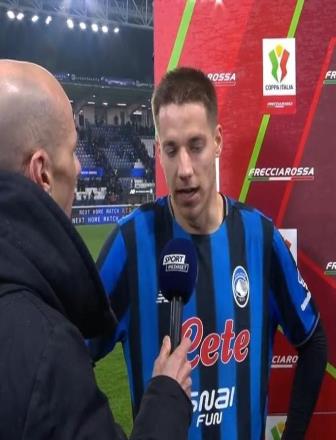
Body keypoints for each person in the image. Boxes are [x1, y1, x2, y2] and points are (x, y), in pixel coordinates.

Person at [90, 67, 327, 439]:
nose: (184, 168)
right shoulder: (130, 244)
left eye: (196, 146)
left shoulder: (259, 237)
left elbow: (313, 341)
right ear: (158, 152)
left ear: (217, 142)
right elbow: (68, 356)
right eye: (172, 150)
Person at [0, 59, 193, 439]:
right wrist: (167, 398)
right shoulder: (45, 348)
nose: (77, 167)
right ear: (42, 172)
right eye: (73, 150)